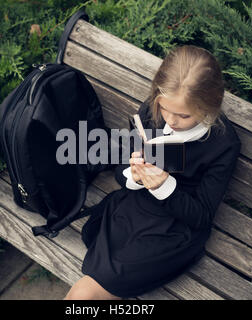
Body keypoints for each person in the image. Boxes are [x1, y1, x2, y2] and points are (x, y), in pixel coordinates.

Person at [63, 45, 241, 300]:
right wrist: (134, 176)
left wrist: (164, 187)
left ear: (209, 107)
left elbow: (201, 217)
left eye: (183, 115)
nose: (170, 120)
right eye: (165, 108)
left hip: (176, 227)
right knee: (95, 271)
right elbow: (122, 171)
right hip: (136, 207)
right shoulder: (151, 111)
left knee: (92, 287)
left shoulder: (222, 144)